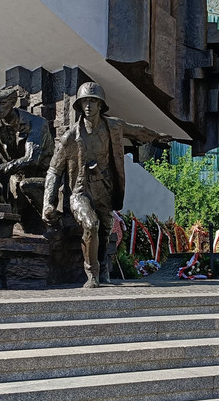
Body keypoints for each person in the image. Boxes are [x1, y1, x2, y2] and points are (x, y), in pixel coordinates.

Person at [42, 82, 172, 287]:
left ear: (101, 105)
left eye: (93, 101)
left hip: (104, 188)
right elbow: (54, 170)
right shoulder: (70, 137)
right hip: (80, 191)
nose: (88, 106)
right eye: (85, 101)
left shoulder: (113, 126)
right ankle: (91, 273)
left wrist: (156, 136)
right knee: (90, 225)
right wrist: (48, 203)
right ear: (79, 105)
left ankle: (102, 268)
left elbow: (137, 131)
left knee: (104, 231)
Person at [0, 85, 55, 218]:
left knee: (28, 186)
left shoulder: (37, 123)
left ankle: (53, 223)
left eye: (2, 103)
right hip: (16, 179)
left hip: (45, 177)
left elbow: (31, 159)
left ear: (13, 103)